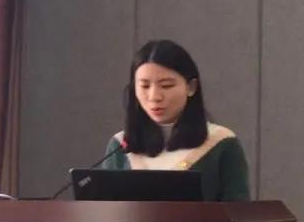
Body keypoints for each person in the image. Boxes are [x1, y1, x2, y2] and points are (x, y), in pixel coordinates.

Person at [103, 40, 250, 202]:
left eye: (166, 86)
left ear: (191, 87)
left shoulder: (222, 142)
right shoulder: (120, 146)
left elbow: (238, 211)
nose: (154, 97)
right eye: (144, 86)